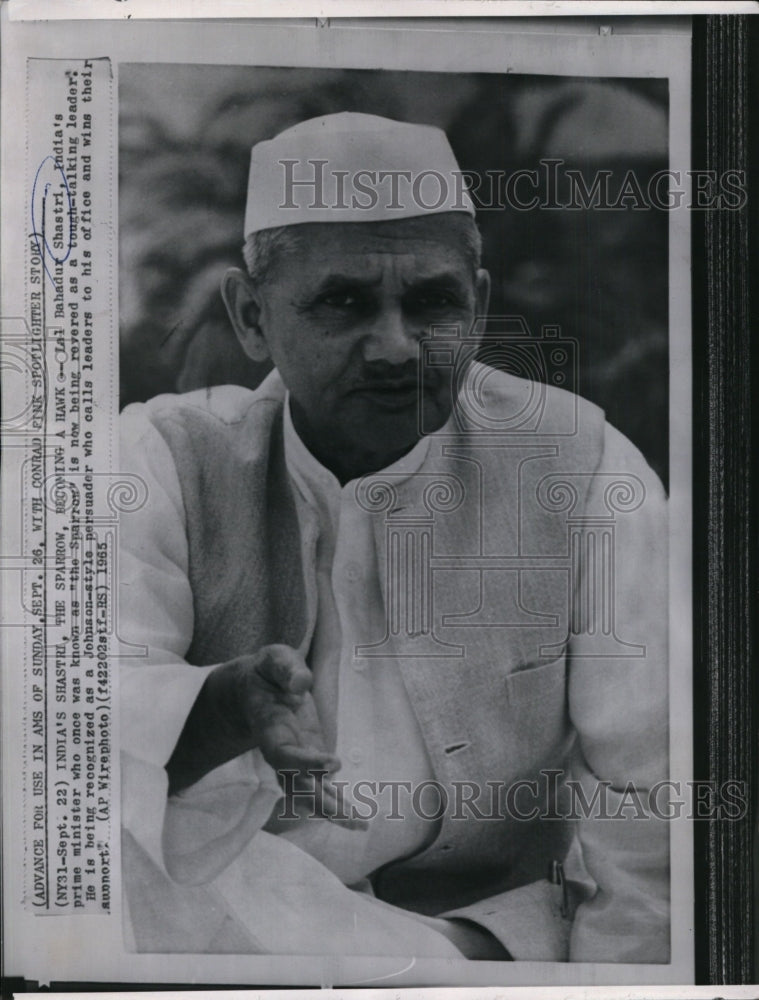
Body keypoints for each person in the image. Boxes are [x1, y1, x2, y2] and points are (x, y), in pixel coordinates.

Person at [119, 112, 669, 961]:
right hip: (234, 921)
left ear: (478, 305)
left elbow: (650, 798)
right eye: (341, 302)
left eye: (432, 302)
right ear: (252, 317)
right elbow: (84, 725)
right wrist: (223, 708)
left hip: (488, 939)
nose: (394, 347)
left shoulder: (581, 467)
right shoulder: (162, 461)